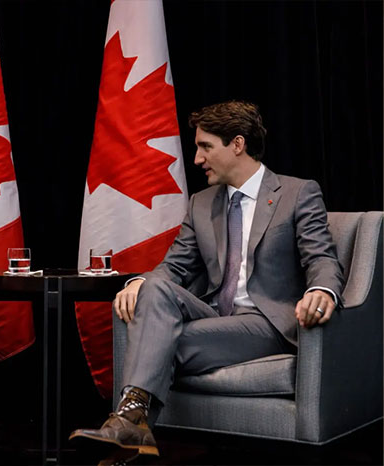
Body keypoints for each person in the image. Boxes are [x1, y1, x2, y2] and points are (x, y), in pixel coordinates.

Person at [70, 101, 344, 460]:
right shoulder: (201, 203)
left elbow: (321, 256)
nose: (197, 159)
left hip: (267, 323)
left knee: (155, 339)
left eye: (205, 146)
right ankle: (133, 429)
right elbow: (173, 267)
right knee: (153, 287)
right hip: (216, 316)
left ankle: (129, 423)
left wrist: (321, 290)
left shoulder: (297, 193)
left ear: (237, 144)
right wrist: (138, 283)